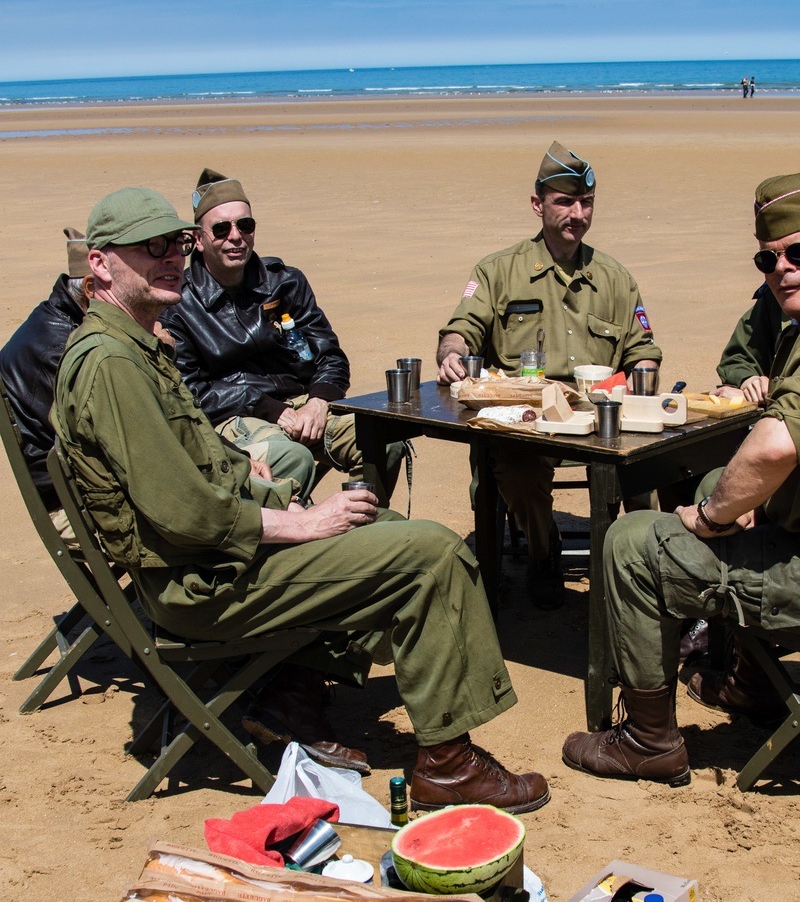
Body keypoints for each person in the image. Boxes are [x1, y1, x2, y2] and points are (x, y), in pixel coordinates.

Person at [53, 187, 549, 814]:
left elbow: (196, 464)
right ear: (100, 263)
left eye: (174, 244)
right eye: (148, 248)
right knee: (433, 553)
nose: (169, 258)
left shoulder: (137, 345)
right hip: (200, 584)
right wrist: (300, 522)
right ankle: (448, 764)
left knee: (383, 522)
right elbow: (184, 515)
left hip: (209, 562)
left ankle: (295, 689)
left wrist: (263, 488)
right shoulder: (113, 364)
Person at [560, 171, 800, 850]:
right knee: (714, 481)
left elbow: (771, 448)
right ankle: (751, 682)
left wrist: (708, 517)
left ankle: (649, 739)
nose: (782, 271)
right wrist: (731, 499)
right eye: (769, 259)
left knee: (627, 541)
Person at [436, 141, 662, 608]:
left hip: (599, 420)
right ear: (538, 205)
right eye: (564, 201)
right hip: (528, 421)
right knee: (514, 469)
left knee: (652, 465)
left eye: (586, 203)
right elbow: (461, 330)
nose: (577, 213)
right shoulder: (498, 272)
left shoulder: (616, 279)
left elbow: (643, 350)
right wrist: (452, 352)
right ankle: (544, 553)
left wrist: (643, 371)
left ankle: (638, 569)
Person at [162, 168, 406, 505]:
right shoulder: (179, 303)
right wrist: (270, 409)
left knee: (386, 440)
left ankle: (364, 531)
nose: (235, 236)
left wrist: (319, 403)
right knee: (288, 456)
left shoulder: (284, 282)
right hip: (236, 418)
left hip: (304, 405)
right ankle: (302, 540)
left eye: (244, 225)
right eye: (221, 229)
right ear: (198, 239)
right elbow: (191, 392)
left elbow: (330, 357)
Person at [0, 228, 94, 520]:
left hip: (69, 473)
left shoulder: (55, 314)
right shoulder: (63, 346)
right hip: (68, 491)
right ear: (90, 289)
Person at [714, 282, 791, 405]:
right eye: (768, 263)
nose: (782, 267)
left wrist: (771, 391)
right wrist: (748, 380)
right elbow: (738, 357)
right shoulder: (776, 295)